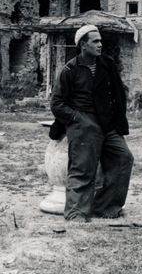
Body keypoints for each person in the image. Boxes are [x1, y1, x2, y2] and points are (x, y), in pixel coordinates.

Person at [49, 24, 133, 222]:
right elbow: (57, 104)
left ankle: (106, 207)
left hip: (107, 122)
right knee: (83, 168)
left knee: (123, 158)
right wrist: (78, 119)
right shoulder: (70, 69)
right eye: (95, 41)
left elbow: (119, 94)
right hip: (82, 123)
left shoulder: (107, 64)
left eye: (100, 41)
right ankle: (76, 213)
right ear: (83, 45)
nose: (100, 44)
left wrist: (117, 121)